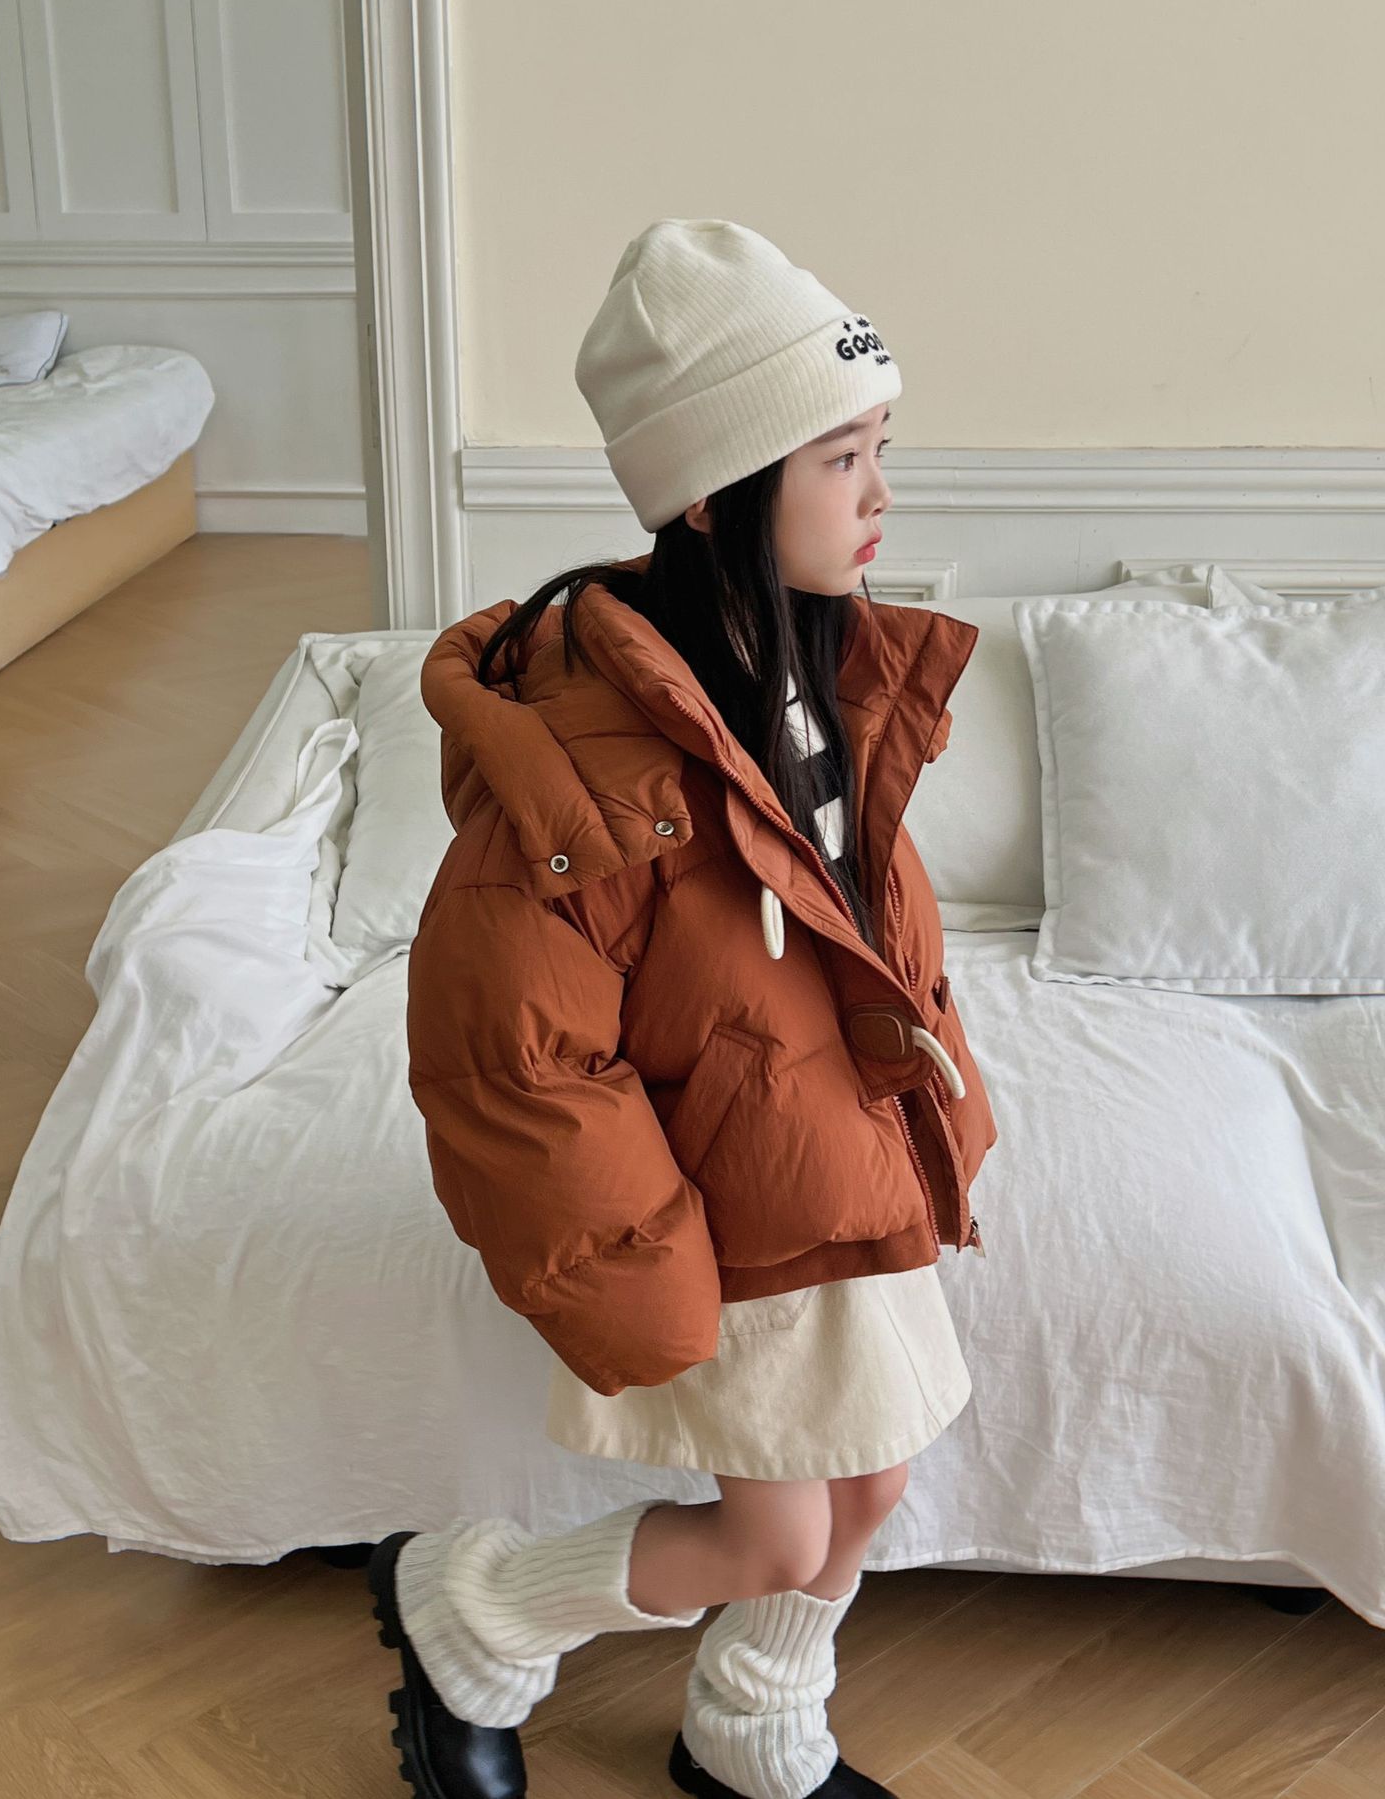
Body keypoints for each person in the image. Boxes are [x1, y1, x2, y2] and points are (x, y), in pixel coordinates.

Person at [367, 219, 998, 1799]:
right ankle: (473, 1610)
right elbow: (511, 1047)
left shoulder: (822, 669)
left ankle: (753, 1728)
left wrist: (938, 1097)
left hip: (844, 1162)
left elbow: (871, 933)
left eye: (882, 448)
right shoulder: (585, 756)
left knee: (872, 1488)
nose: (880, 495)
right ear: (713, 493)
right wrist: (642, 1258)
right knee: (776, 1531)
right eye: (841, 459)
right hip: (725, 1202)